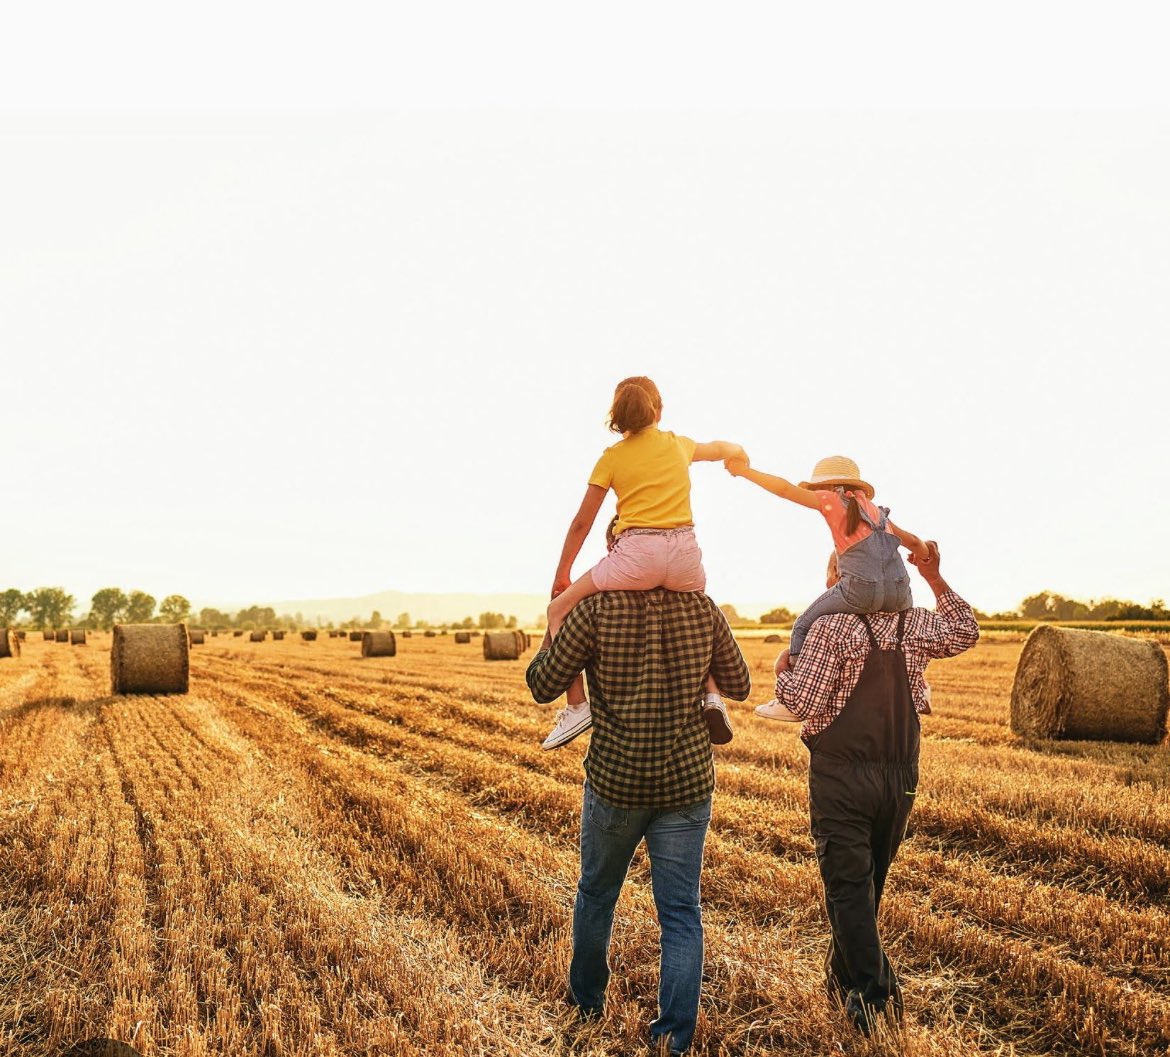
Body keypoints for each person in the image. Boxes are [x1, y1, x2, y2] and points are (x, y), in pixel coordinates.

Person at [762, 540, 978, 1033]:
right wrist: (934, 577)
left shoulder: (830, 625)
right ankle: (842, 982)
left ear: (840, 580)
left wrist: (782, 672)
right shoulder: (918, 622)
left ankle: (877, 999)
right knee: (866, 887)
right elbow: (966, 630)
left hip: (841, 772)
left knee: (849, 890)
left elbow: (805, 702)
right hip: (901, 772)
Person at [526, 586, 751, 1055]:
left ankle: (586, 1006)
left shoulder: (593, 609)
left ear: (617, 549)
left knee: (596, 894)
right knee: (681, 914)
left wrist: (553, 626)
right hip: (685, 784)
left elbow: (543, 685)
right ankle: (673, 1041)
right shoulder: (701, 608)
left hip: (616, 783)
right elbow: (741, 684)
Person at [542, 375, 747, 750]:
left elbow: (582, 522)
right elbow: (719, 447)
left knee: (558, 609)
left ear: (618, 417)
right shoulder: (678, 445)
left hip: (636, 555)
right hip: (685, 555)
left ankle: (575, 707)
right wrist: (738, 451)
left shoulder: (612, 457)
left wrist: (563, 573)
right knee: (701, 612)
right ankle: (713, 696)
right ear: (659, 410)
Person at [725, 454, 930, 659]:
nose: (814, 493)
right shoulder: (879, 514)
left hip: (860, 591)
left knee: (802, 626)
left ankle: (799, 680)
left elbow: (785, 489)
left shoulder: (831, 498)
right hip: (900, 594)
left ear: (831, 486)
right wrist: (925, 555)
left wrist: (744, 472)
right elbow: (912, 542)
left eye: (815, 489)